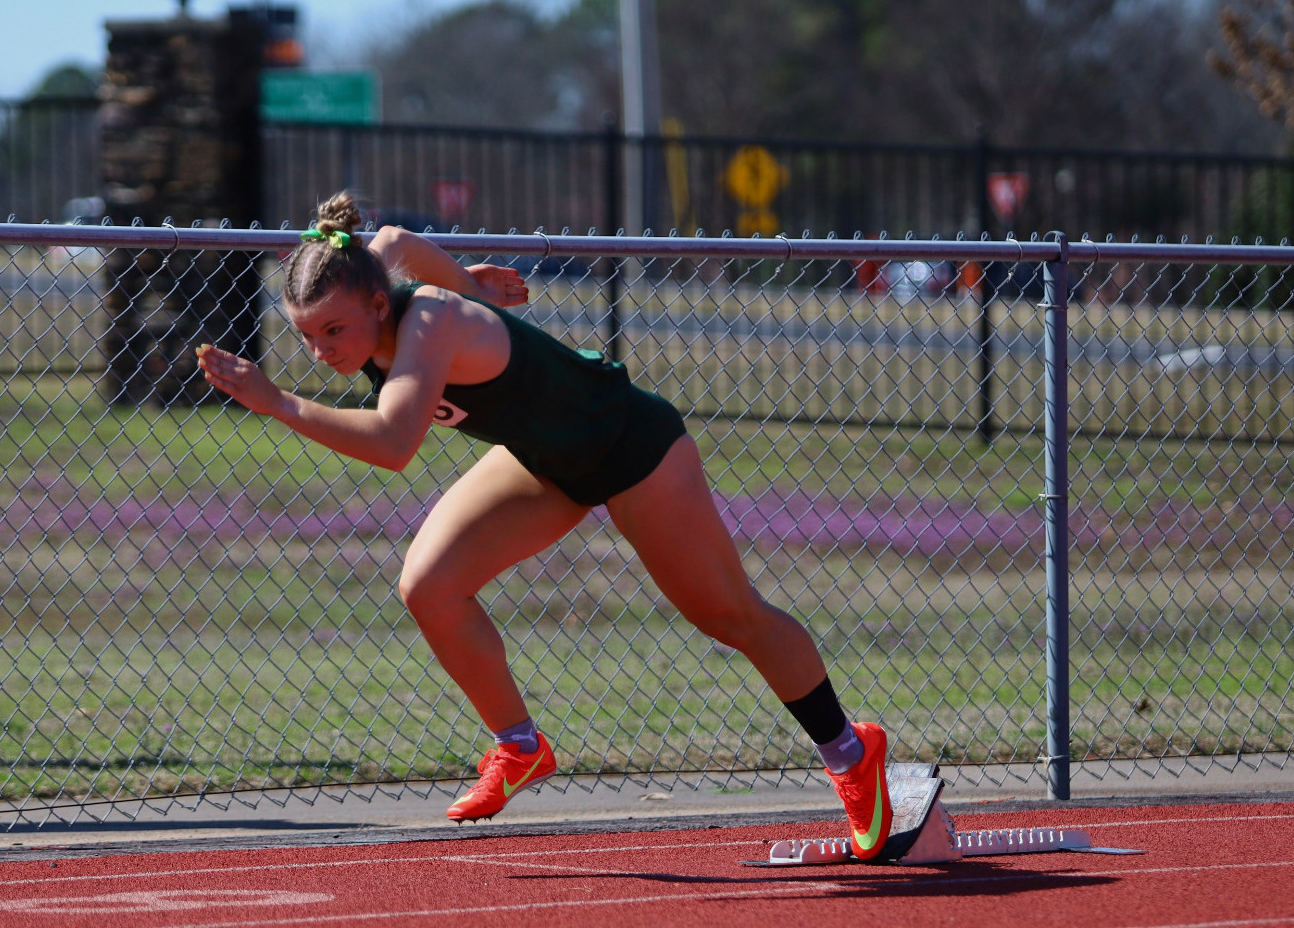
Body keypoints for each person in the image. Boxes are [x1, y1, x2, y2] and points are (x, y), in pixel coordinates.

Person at [196, 193, 893, 855]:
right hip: (545, 462)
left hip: (628, 443)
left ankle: (851, 751)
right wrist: (472, 279)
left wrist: (278, 402)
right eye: (307, 336)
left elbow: (392, 443)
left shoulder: (429, 321)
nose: (323, 351)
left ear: (379, 303)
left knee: (731, 617)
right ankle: (520, 745)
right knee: (428, 586)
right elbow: (396, 241)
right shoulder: (371, 267)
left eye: (335, 331)